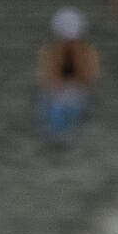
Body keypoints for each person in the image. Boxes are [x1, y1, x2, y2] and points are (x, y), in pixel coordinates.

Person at [38, 9, 100, 145]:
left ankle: (68, 132)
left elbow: (89, 74)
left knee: (72, 107)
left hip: (76, 90)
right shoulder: (52, 51)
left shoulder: (86, 52)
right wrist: (54, 84)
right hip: (58, 90)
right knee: (55, 107)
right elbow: (47, 74)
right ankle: (55, 133)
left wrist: (80, 84)